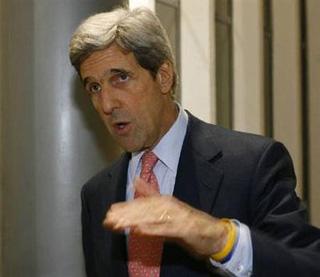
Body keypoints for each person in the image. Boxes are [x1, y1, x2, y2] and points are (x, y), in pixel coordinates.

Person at [69, 6, 320, 277]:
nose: (106, 104)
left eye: (121, 78)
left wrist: (220, 240)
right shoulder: (96, 194)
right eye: (94, 87)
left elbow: (307, 266)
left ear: (163, 77)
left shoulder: (252, 165)